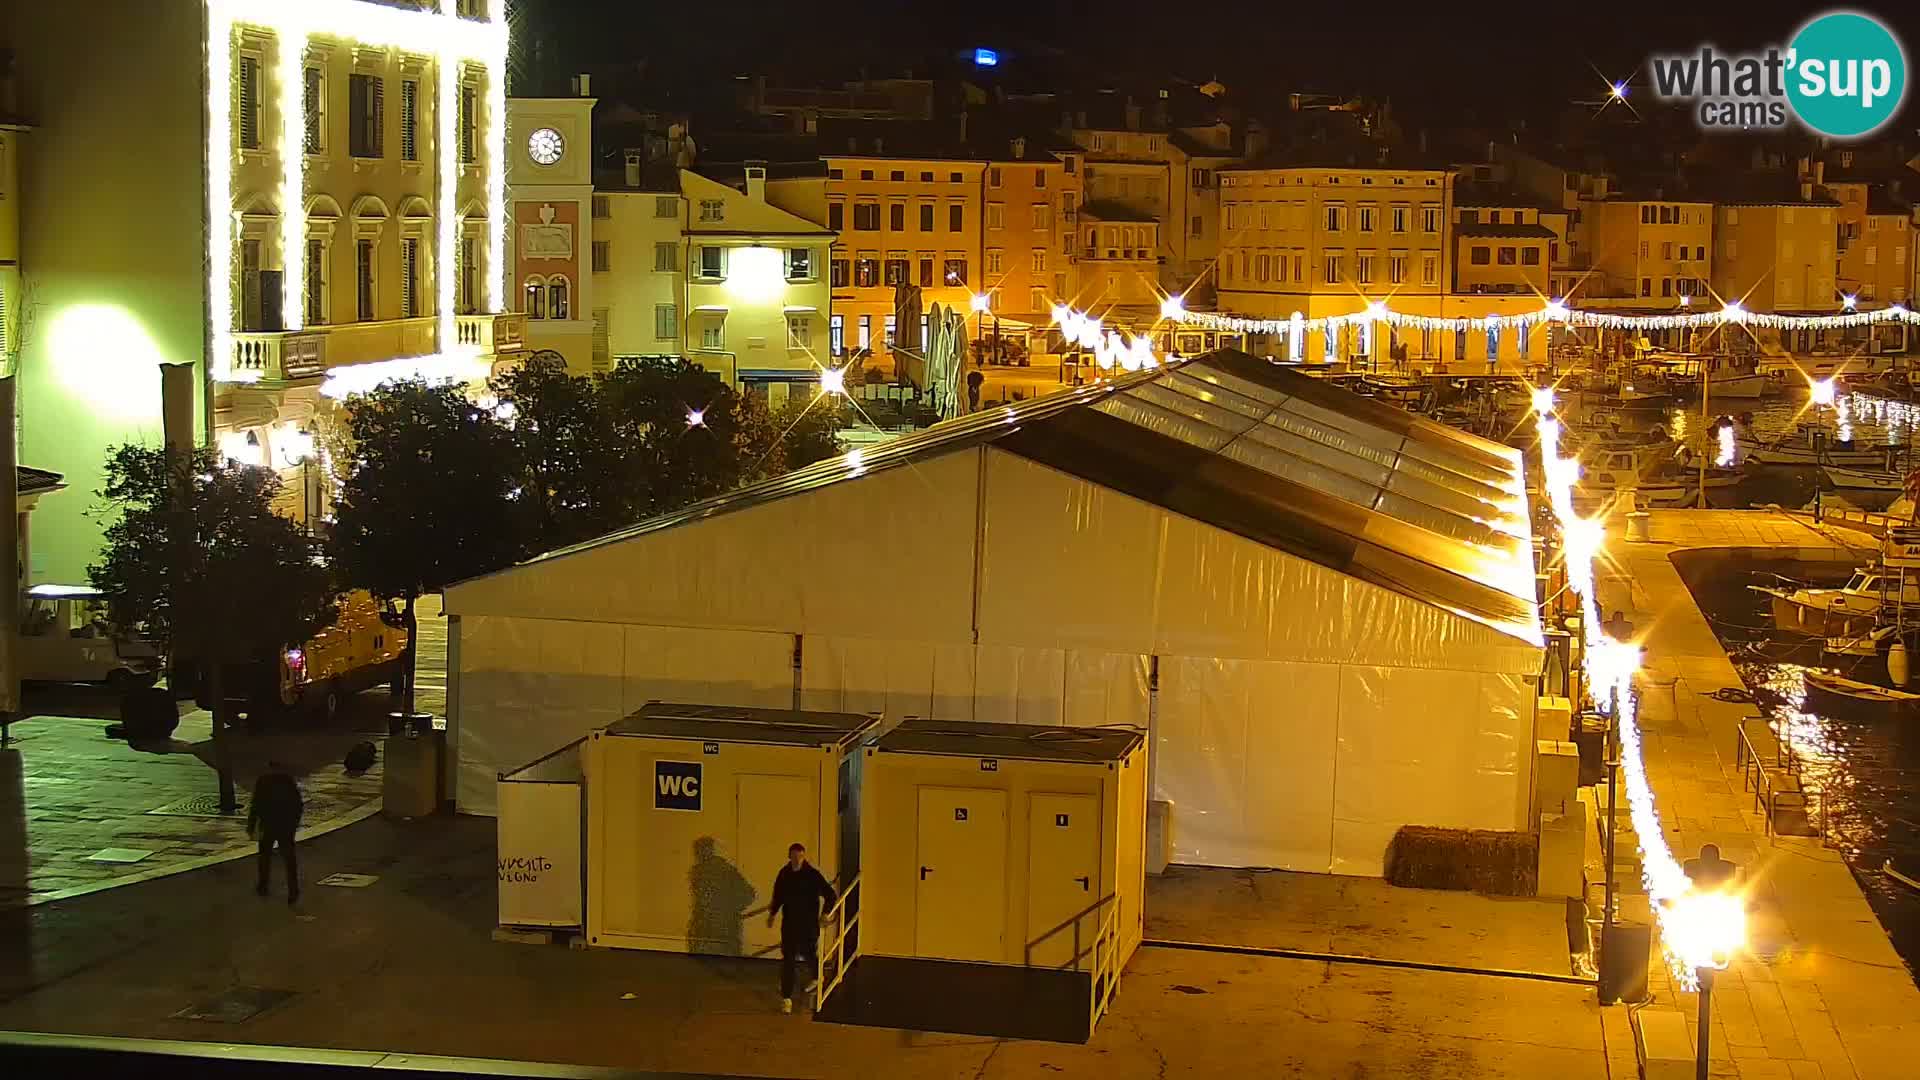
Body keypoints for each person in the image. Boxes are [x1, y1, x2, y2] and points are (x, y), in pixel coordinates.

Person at [766, 842, 836, 1014]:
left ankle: (817, 976)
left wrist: (825, 913)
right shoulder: (784, 874)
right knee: (788, 960)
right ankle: (786, 998)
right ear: (789, 857)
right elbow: (778, 895)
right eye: (794, 856)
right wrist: (772, 914)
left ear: (804, 857)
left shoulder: (812, 875)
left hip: (808, 925)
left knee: (809, 954)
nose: (797, 860)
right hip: (789, 924)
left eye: (800, 856)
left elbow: (830, 895)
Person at [247, 761, 304, 904]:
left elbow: (256, 804)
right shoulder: (287, 781)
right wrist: (294, 824)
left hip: (268, 824)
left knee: (265, 856)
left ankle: (263, 884)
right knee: (289, 858)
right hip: (285, 825)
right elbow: (297, 804)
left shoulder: (263, 781)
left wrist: (251, 824)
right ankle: (293, 889)